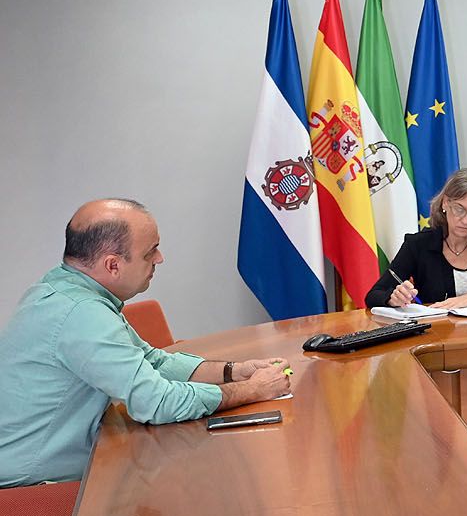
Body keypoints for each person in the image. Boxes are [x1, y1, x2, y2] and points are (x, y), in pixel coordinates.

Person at [0, 199, 294, 487]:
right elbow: (157, 403)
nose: (160, 258)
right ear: (113, 265)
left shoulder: (62, 287)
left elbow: (153, 362)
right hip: (34, 491)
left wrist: (234, 371)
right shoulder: (83, 313)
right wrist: (253, 390)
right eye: (149, 252)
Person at [365, 167, 467, 310]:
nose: (466, 220)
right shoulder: (418, 245)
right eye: (459, 209)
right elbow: (373, 296)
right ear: (445, 203)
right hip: (437, 336)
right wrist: (392, 298)